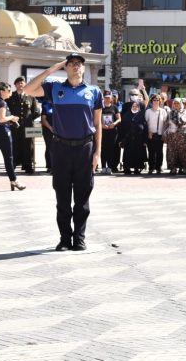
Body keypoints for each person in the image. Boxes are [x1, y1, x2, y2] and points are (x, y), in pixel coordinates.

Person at [24, 53, 103, 251]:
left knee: (82, 197)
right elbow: (28, 89)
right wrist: (52, 69)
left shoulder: (94, 92)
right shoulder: (55, 88)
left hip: (85, 148)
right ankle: (65, 239)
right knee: (62, 196)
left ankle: (79, 238)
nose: (75, 66)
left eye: (79, 64)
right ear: (65, 68)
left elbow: (97, 123)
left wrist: (97, 152)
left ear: (83, 68)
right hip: (60, 148)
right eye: (71, 64)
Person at [7, 77, 41, 174]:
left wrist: (28, 119)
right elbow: (7, 110)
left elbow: (36, 111)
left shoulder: (30, 96)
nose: (20, 85)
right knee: (14, 145)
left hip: (28, 126)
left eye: (22, 83)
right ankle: (12, 165)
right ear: (15, 85)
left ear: (25, 84)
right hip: (14, 125)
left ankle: (28, 166)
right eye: (18, 83)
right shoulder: (10, 96)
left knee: (28, 146)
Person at [118, 95, 147, 175]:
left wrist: (145, 140)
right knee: (128, 154)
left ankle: (137, 168)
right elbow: (122, 129)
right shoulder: (126, 115)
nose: (134, 107)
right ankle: (127, 168)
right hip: (128, 139)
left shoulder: (141, 115)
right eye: (133, 106)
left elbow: (145, 128)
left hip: (139, 139)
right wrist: (121, 139)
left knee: (138, 154)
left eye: (136, 106)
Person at [165, 98, 186, 175]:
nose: (176, 105)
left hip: (183, 136)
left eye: (178, 103)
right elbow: (166, 124)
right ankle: (173, 168)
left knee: (184, 152)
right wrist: (165, 134)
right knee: (172, 152)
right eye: (175, 103)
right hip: (172, 136)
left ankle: (184, 168)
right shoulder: (170, 112)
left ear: (181, 104)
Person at [100, 90, 121, 174]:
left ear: (111, 98)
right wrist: (101, 125)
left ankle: (110, 167)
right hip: (103, 131)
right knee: (103, 149)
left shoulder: (114, 107)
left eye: (109, 97)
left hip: (112, 132)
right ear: (103, 98)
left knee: (111, 150)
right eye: (106, 97)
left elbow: (119, 119)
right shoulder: (100, 107)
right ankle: (103, 167)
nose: (107, 99)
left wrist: (114, 124)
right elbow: (96, 119)